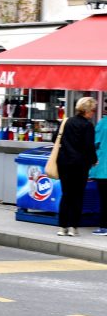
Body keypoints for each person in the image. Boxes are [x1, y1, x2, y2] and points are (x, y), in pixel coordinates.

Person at [55, 96, 97, 237]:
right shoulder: (87, 125)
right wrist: (94, 160)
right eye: (93, 110)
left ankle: (62, 227)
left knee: (66, 194)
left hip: (64, 163)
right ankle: (73, 227)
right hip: (79, 165)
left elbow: (55, 138)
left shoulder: (66, 121)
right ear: (87, 110)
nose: (93, 113)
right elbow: (89, 146)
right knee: (77, 195)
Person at [91, 111, 107, 235]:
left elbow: (95, 143)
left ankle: (104, 227)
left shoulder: (103, 123)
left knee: (104, 199)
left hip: (103, 169)